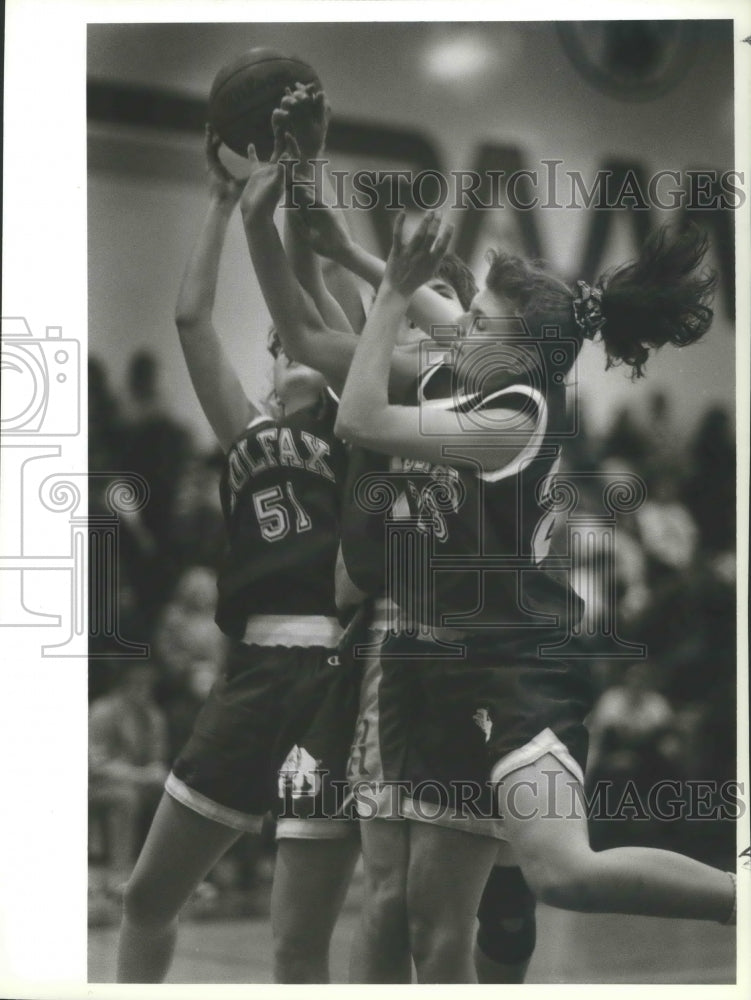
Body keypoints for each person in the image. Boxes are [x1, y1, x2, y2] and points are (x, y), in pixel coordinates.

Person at [330, 210, 735, 981]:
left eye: (478, 318)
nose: (460, 328)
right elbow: (442, 312)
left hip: (517, 666)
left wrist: (386, 294)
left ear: (512, 343)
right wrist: (344, 247)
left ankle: (735, 897)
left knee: (561, 873)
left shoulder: (511, 413)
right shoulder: (514, 371)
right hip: (464, 661)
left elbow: (359, 418)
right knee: (433, 920)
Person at [238, 100, 539, 983]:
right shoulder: (414, 373)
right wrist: (289, 198)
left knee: (460, 915)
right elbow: (311, 317)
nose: (448, 316)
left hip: (479, 659)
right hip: (388, 649)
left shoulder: (509, 399)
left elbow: (364, 323)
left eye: (470, 311)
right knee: (389, 906)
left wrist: (363, 263)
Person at [115, 125, 360, 984]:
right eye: (274, 341)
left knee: (300, 946)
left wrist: (306, 175)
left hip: (336, 676)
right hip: (256, 672)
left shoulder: (360, 424)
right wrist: (220, 199)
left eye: (296, 338)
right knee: (148, 897)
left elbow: (324, 283)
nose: (280, 342)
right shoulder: (246, 432)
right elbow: (190, 319)